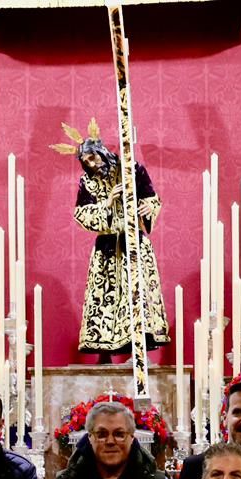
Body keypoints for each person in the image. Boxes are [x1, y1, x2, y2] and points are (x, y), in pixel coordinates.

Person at [50, 119, 170, 360]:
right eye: (87, 162)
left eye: (94, 158)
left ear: (102, 152)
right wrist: (106, 202)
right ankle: (104, 353)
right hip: (106, 248)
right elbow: (81, 213)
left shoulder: (132, 170)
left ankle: (140, 351)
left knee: (137, 295)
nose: (93, 164)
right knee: (105, 297)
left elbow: (152, 198)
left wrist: (148, 208)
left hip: (134, 243)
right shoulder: (87, 182)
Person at [56, 401, 168, 479]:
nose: (110, 441)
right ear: (90, 437)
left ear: (132, 437)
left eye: (119, 434)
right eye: (101, 434)